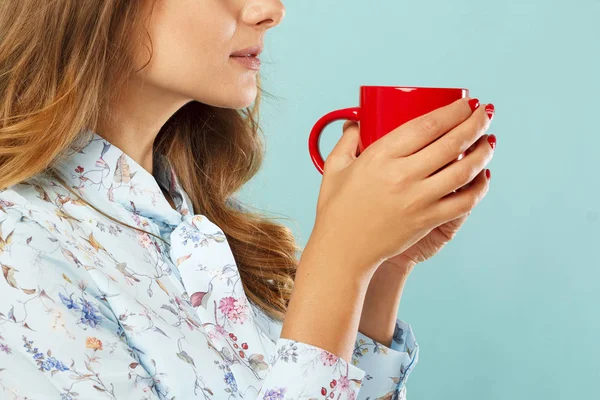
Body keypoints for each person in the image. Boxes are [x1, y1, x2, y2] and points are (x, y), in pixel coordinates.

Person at [0, 1, 496, 399]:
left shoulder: (191, 227)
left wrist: (380, 268)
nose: (272, 10)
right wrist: (337, 265)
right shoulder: (16, 252)